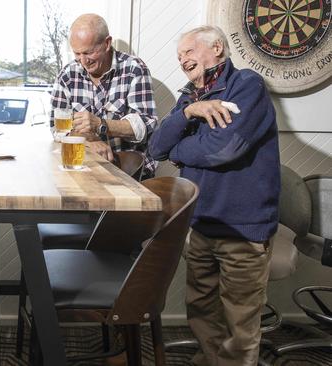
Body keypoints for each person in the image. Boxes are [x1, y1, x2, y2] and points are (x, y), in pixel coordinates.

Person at [149, 25, 280, 366]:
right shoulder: (189, 98)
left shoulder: (247, 85)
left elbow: (225, 148)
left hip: (242, 229)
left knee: (240, 329)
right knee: (202, 313)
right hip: (202, 224)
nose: (182, 60)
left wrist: (180, 150)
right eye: (179, 57)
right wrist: (189, 113)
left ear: (217, 48)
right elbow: (156, 147)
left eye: (188, 52)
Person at [52, 13, 157, 178]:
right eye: (77, 54)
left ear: (107, 43)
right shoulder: (67, 75)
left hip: (129, 172)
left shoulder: (134, 69)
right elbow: (57, 129)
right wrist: (88, 140)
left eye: (89, 52)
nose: (83, 61)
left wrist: (101, 125)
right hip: (84, 169)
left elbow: (145, 126)